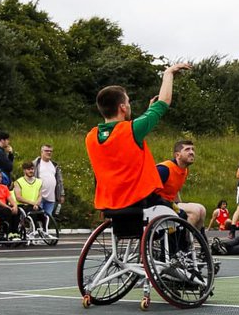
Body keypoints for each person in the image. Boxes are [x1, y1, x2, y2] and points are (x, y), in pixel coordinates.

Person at [85, 62, 190, 216]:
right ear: (122, 107)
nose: (129, 106)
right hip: (139, 199)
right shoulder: (132, 130)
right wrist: (168, 73)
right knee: (181, 216)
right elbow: (163, 102)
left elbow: (121, 139)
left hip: (109, 203)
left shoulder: (91, 137)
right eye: (128, 102)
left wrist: (147, 113)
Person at [156, 139, 207, 228]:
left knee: (202, 209)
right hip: (157, 205)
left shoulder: (184, 170)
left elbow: (175, 190)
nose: (192, 152)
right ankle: (185, 241)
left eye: (193, 149)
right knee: (194, 211)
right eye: (187, 149)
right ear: (177, 155)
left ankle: (196, 238)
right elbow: (148, 190)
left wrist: (181, 206)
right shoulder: (164, 169)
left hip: (169, 203)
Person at [33, 144, 65, 216]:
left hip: (51, 197)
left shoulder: (55, 165)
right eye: (46, 151)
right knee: (38, 217)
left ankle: (45, 227)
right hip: (38, 197)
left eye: (51, 151)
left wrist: (61, 194)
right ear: (41, 152)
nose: (49, 152)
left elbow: (60, 181)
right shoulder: (35, 164)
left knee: (48, 217)